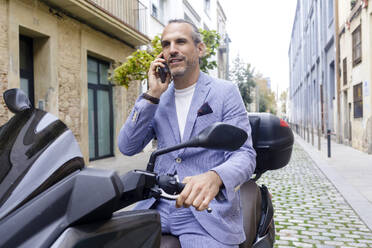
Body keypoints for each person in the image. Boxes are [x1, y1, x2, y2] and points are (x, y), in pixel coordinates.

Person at [118, 19, 256, 248]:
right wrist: (152, 95)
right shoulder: (157, 98)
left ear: (199, 48)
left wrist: (215, 177)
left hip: (204, 212)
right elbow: (127, 146)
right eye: (166, 44)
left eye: (180, 41)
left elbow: (245, 154)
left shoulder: (225, 92)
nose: (172, 49)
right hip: (156, 207)